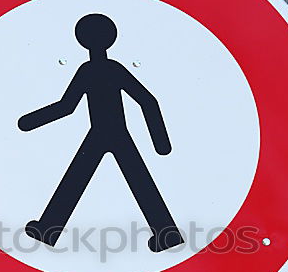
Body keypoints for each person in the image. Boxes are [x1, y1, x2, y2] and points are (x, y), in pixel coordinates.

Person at [18, 13, 184, 253]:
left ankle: (48, 228)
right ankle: (166, 234)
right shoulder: (107, 68)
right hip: (109, 132)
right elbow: (147, 101)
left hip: (107, 131)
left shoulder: (91, 70)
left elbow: (67, 106)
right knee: (129, 179)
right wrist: (160, 142)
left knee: (83, 178)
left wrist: (31, 121)